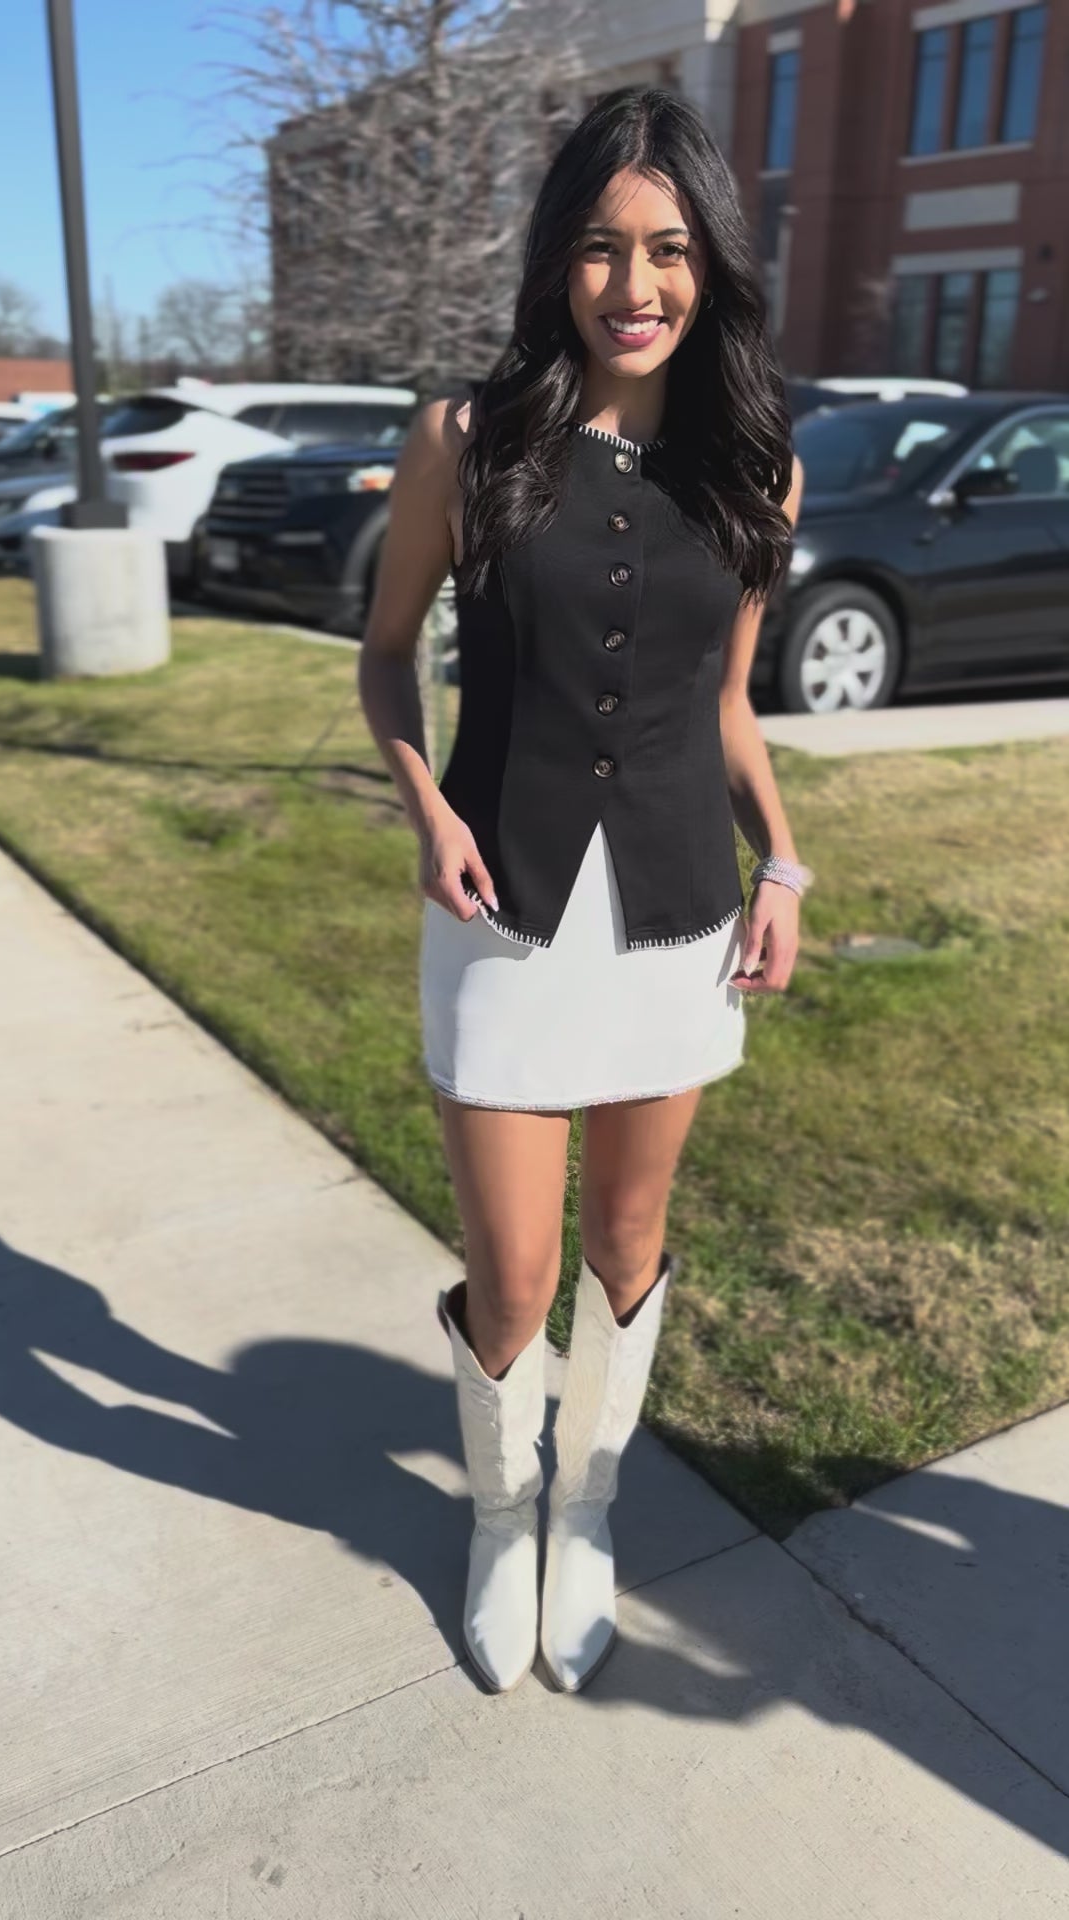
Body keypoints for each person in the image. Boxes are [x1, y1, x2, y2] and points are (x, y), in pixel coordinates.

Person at [357, 85, 808, 1697]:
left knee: (630, 1241)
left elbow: (732, 708)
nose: (637, 283)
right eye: (606, 247)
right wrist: (422, 806)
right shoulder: (464, 441)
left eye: (671, 248)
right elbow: (389, 657)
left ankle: (594, 1507)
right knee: (520, 1271)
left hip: (678, 917)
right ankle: (500, 1515)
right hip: (500, 913)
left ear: (712, 265)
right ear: (559, 260)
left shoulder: (758, 467)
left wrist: (790, 864)